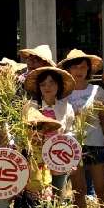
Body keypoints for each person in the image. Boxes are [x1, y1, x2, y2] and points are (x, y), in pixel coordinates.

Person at [57, 49, 104, 208]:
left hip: (96, 144)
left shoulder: (98, 91)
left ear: (88, 69)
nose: (79, 71)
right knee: (79, 192)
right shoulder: (63, 95)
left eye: (83, 67)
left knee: (102, 190)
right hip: (74, 148)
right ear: (68, 69)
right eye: (74, 66)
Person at [10, 109, 62, 208]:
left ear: (45, 129)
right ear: (24, 129)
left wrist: (65, 167)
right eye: (31, 127)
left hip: (44, 189)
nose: (36, 132)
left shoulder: (49, 147)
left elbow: (56, 166)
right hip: (24, 190)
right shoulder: (20, 148)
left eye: (39, 127)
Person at [24, 66, 76, 200]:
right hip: (37, 161)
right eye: (43, 84)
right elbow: (24, 134)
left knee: (59, 198)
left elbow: (70, 132)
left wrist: (72, 159)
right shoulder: (30, 107)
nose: (47, 87)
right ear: (38, 87)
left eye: (52, 82)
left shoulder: (66, 108)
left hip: (59, 158)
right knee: (38, 200)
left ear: (59, 85)